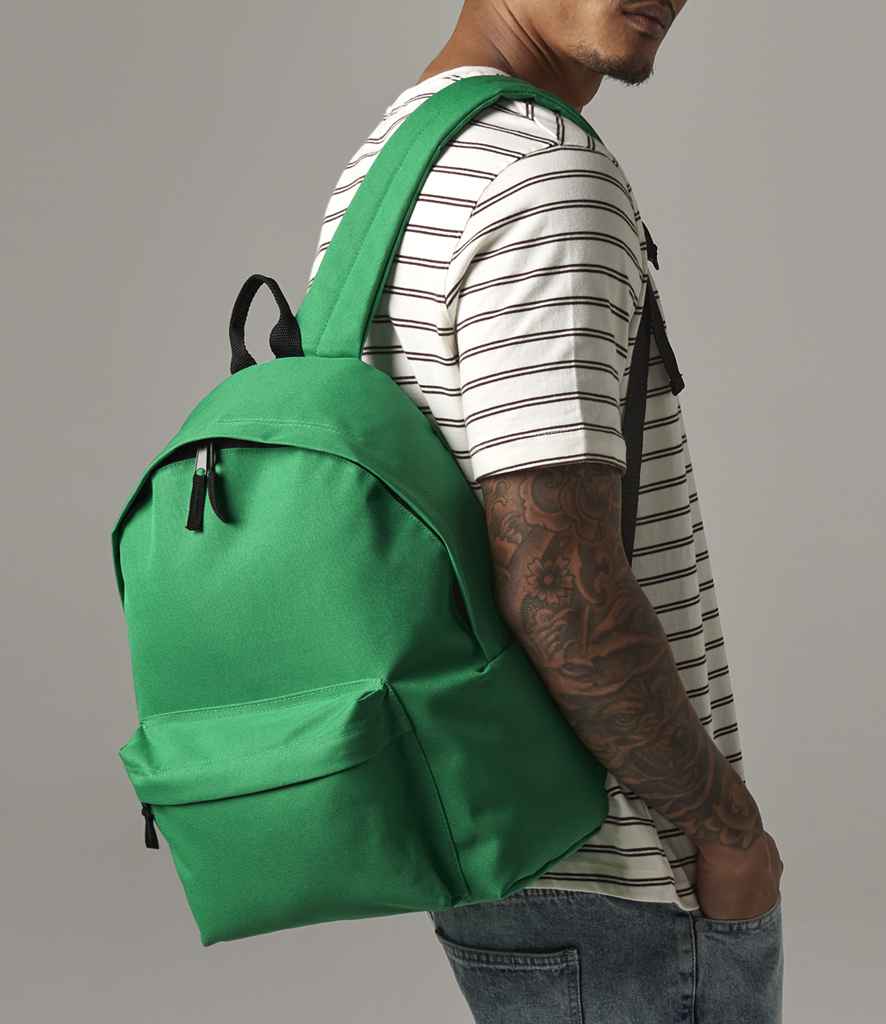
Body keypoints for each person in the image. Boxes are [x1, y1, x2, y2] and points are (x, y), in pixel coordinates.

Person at [307, 2, 785, 1020]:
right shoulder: (542, 174)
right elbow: (555, 583)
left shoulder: (394, 160)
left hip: (497, 837)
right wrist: (724, 828)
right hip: (621, 864)